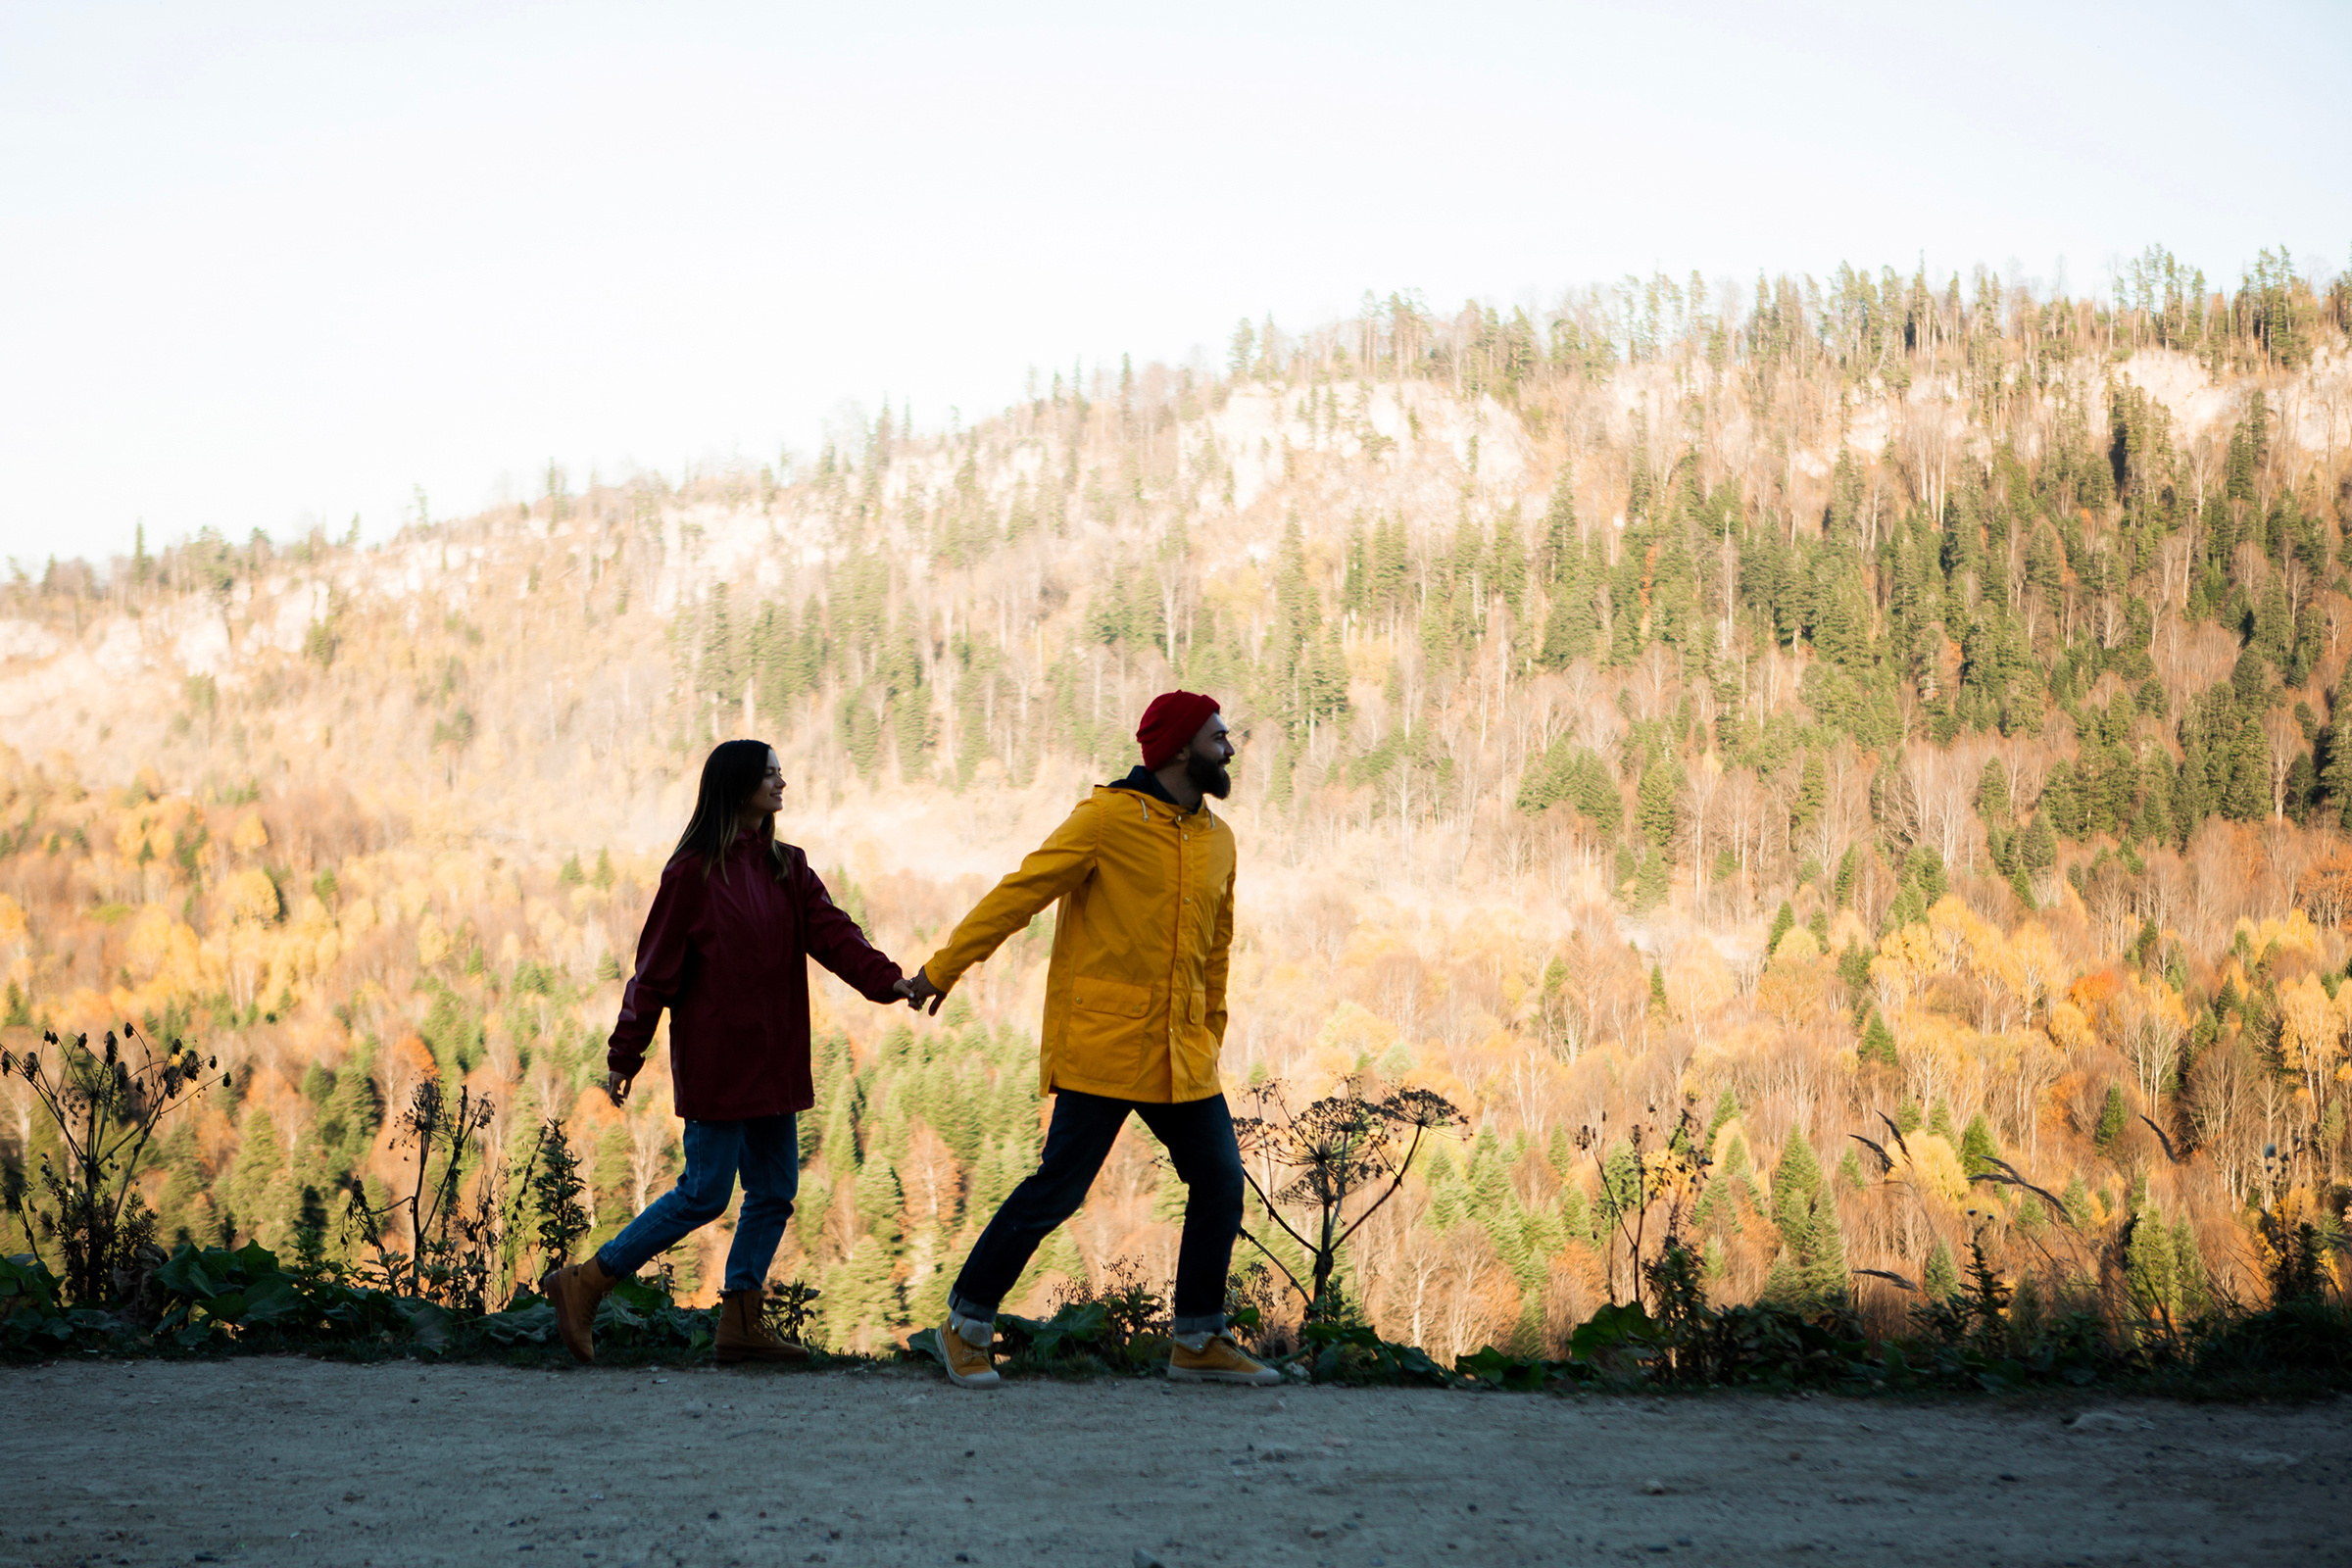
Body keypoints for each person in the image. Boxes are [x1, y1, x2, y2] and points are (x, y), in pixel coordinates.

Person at [902, 690, 1280, 1387]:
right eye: (1218, 737)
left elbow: (1216, 951)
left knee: (1221, 1183)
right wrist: (941, 968)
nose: (1230, 749)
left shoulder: (1218, 839)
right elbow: (1020, 892)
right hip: (1104, 1044)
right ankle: (962, 1327)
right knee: (1057, 1191)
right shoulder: (1106, 819)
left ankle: (1197, 1341)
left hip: (1182, 1051)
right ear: (1176, 750)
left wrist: (1211, 1029)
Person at [541, 739, 906, 1365]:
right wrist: (625, 1053)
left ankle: (739, 1323)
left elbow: (835, 934)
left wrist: (889, 981)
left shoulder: (787, 867)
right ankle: (587, 1282)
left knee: (774, 1190)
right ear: (738, 787)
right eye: (771, 775)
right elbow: (652, 972)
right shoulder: (692, 874)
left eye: (780, 774)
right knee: (706, 1192)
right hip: (718, 1061)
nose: (782, 784)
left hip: (776, 1058)